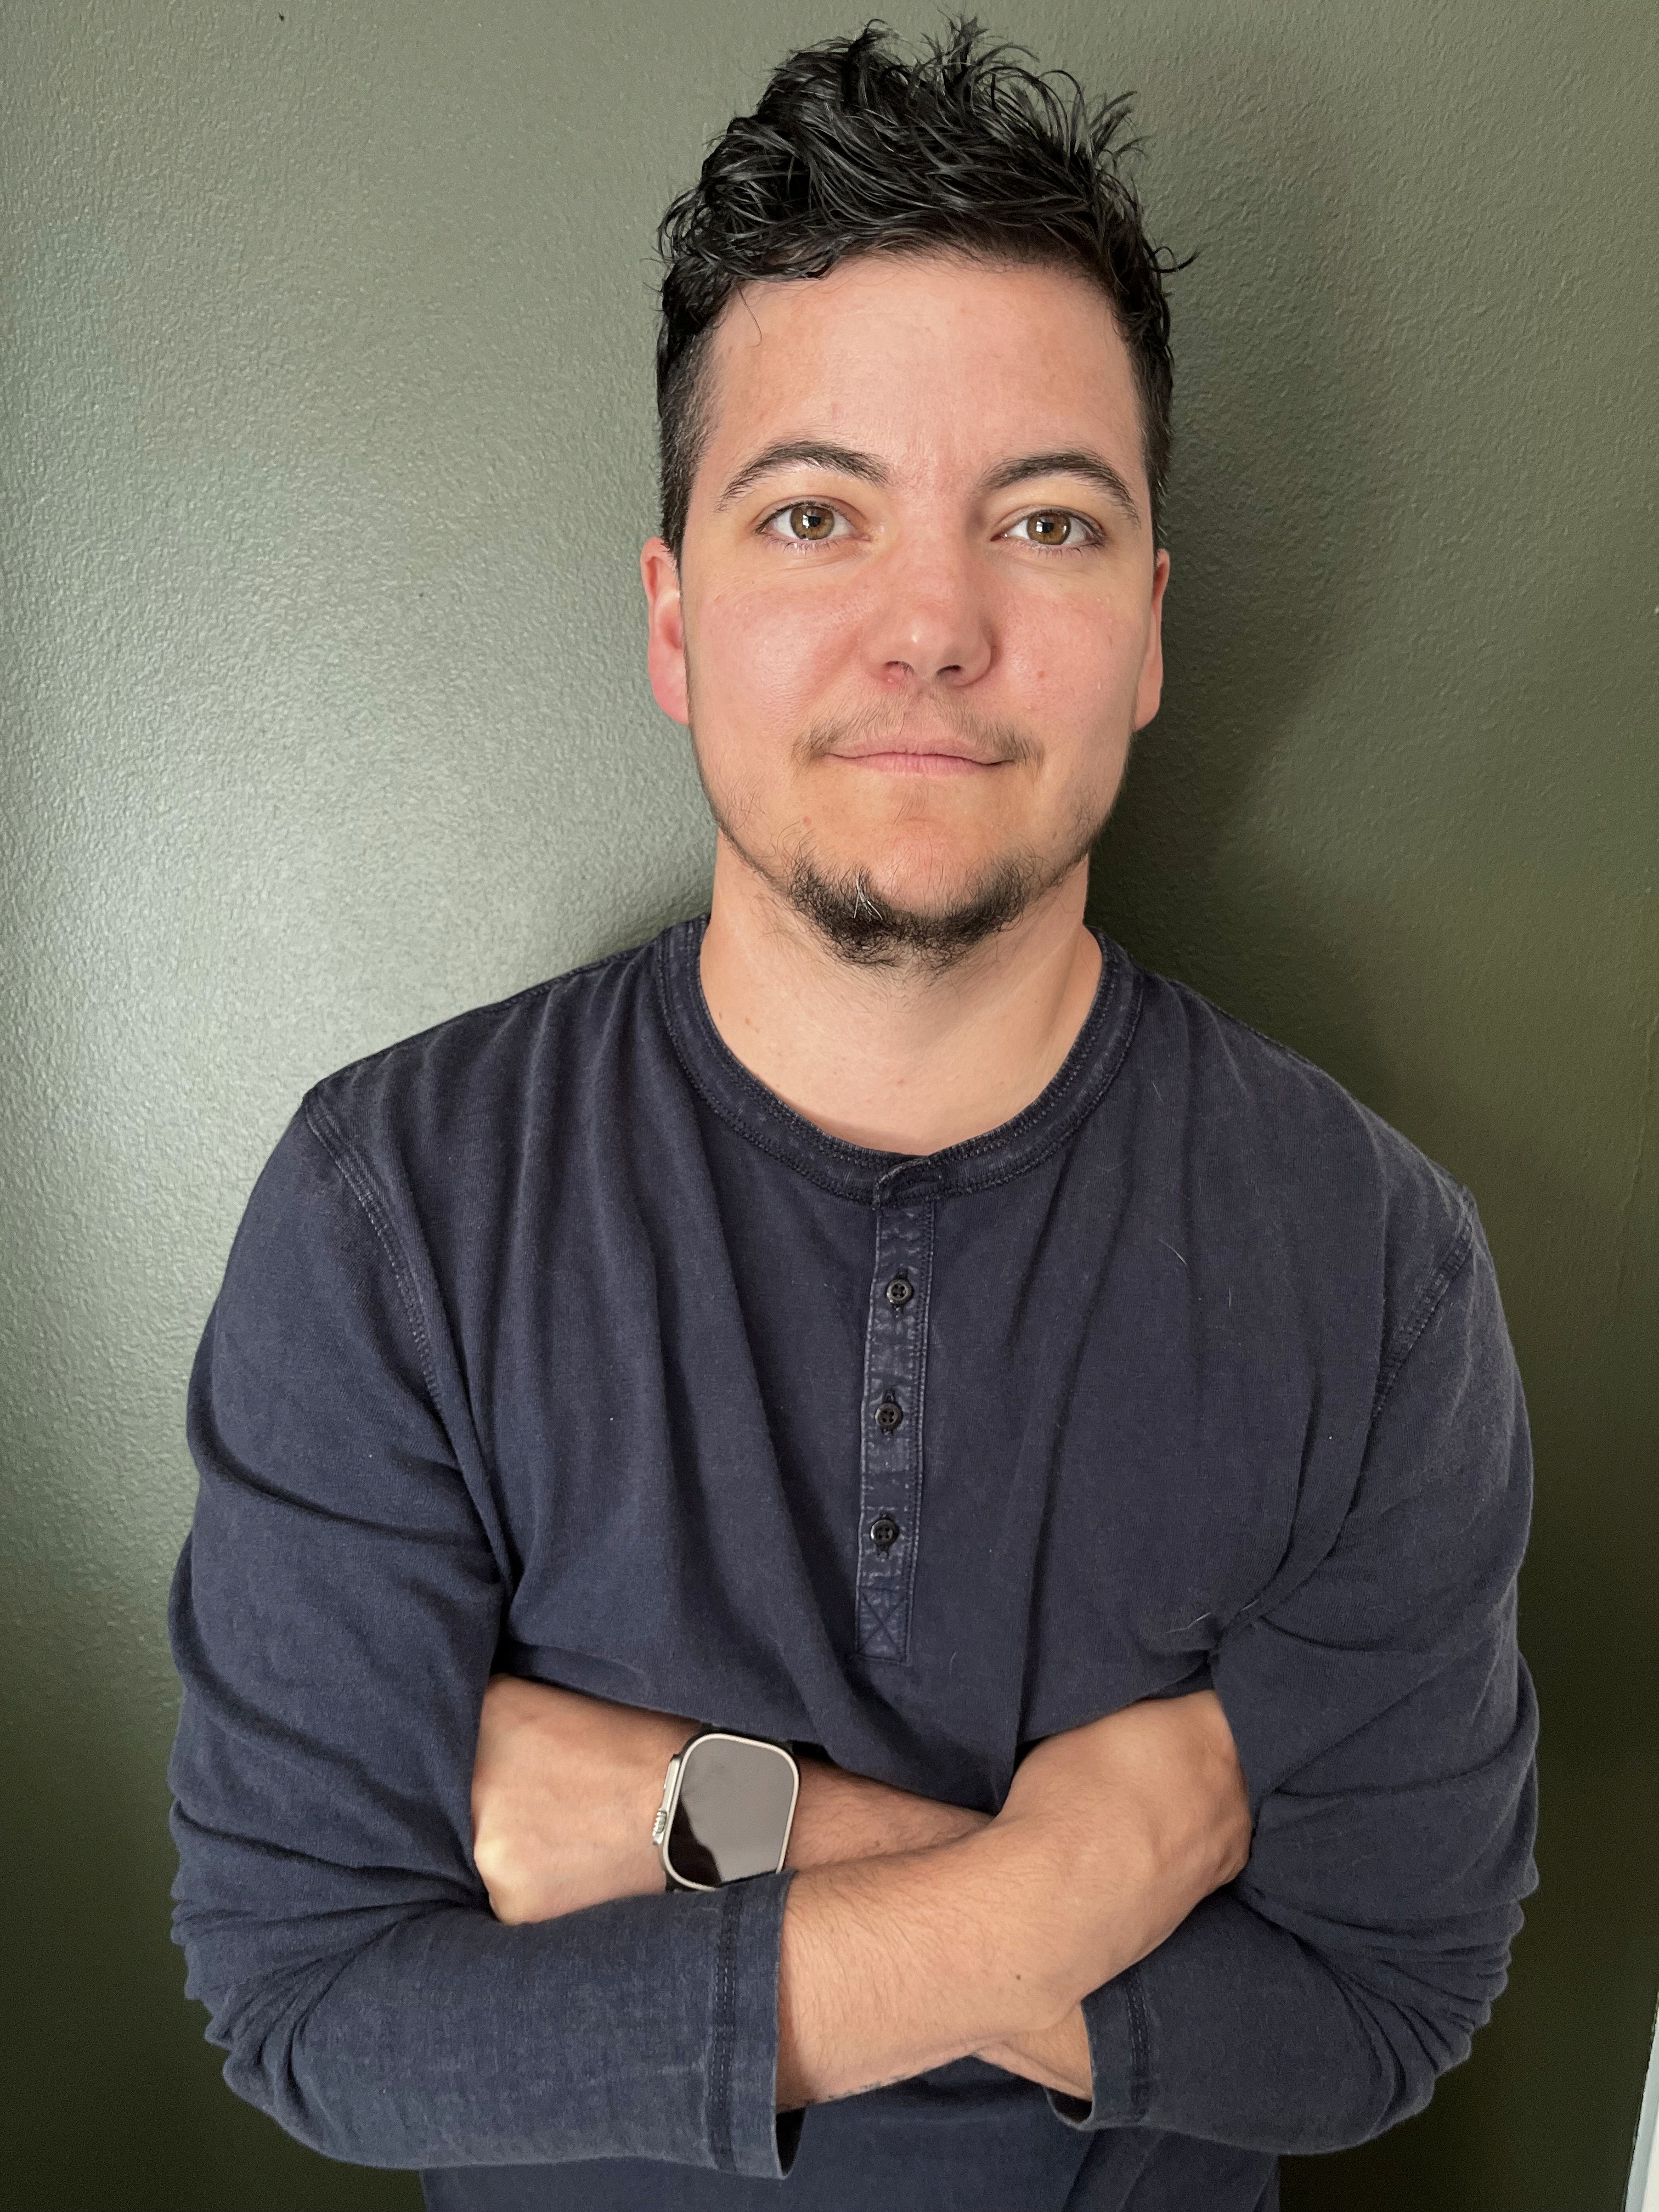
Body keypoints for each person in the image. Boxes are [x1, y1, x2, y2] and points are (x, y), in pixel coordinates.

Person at [167, 22, 1537, 2212]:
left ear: (1150, 627)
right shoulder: (387, 1210)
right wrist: (1084, 1870)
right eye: (816, 514)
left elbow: (1369, 2017)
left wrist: (676, 1819)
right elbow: (318, 2016)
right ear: (675, 619)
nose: (936, 628)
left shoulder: (1371, 1268)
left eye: (1047, 521)